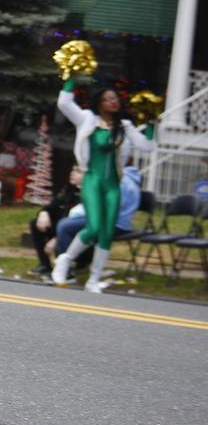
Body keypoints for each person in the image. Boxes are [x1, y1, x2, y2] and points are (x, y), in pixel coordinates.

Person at [52, 81, 155, 293]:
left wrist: (152, 123)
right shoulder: (88, 119)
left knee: (107, 232)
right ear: (99, 103)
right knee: (95, 227)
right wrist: (70, 78)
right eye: (108, 99)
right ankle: (65, 259)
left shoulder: (124, 127)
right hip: (92, 180)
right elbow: (64, 104)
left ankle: (93, 279)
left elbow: (147, 146)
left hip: (113, 184)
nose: (113, 102)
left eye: (115, 99)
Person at [51, 165, 143, 285]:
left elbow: (106, 208)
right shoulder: (123, 180)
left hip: (115, 223)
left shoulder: (121, 184)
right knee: (69, 225)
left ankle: (68, 267)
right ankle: (80, 267)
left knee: (65, 226)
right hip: (113, 221)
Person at [27, 164, 83, 278]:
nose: (72, 173)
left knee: (65, 230)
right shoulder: (69, 189)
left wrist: (56, 239)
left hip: (79, 236)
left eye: (78, 171)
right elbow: (53, 205)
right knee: (35, 223)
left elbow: (78, 223)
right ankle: (45, 265)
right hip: (61, 229)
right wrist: (43, 213)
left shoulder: (89, 195)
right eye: (72, 170)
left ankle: (66, 270)